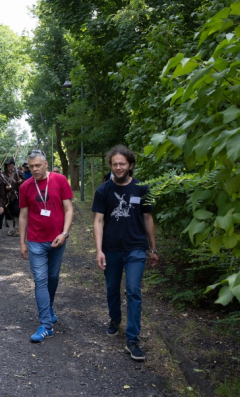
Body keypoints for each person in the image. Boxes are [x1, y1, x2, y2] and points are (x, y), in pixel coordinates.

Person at [92, 145, 158, 361]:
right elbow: (98, 221)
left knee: (133, 290)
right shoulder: (103, 190)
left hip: (135, 248)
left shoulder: (141, 189)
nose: (118, 167)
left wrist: (153, 248)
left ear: (130, 165)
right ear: (111, 166)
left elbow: (148, 218)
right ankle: (114, 319)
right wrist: (99, 250)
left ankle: (133, 339)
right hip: (111, 249)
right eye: (114, 164)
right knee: (112, 288)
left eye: (122, 163)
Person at [19, 150, 74, 342]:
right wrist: (22, 242)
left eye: (37, 166)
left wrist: (64, 234)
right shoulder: (25, 186)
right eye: (31, 166)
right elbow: (23, 215)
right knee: (40, 279)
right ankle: (45, 325)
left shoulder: (59, 180)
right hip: (35, 240)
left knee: (52, 277)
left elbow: (68, 209)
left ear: (45, 164)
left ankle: (48, 307)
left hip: (57, 239)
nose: (34, 169)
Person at [2, 157, 24, 236]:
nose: (10, 167)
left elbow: (25, 182)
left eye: (11, 165)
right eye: (8, 165)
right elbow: (1, 185)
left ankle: (17, 228)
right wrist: (5, 187)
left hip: (17, 195)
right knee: (8, 212)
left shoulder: (19, 173)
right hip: (7, 196)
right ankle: (10, 229)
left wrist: (20, 182)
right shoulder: (3, 174)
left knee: (17, 211)